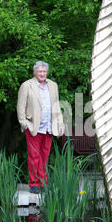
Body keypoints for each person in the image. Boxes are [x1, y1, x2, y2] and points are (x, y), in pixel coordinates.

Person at [17, 61, 65, 193]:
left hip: (49, 127)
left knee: (45, 156)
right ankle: (33, 183)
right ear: (35, 72)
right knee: (33, 156)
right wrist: (24, 124)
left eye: (44, 71)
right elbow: (20, 107)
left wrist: (60, 124)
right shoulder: (27, 85)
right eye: (40, 71)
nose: (42, 74)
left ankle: (43, 182)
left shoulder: (53, 85)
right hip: (34, 127)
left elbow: (56, 106)